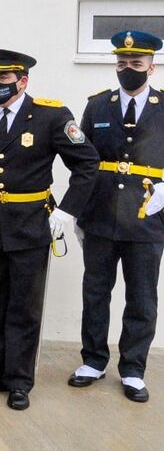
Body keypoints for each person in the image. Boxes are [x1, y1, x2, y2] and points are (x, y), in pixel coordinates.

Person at [0, 48, 99, 410]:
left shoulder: (51, 117)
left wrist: (67, 212)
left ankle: (19, 381)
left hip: (30, 226)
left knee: (23, 307)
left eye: (3, 78)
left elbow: (87, 164)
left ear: (23, 81)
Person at [70, 30, 164, 403]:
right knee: (95, 292)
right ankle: (93, 360)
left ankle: (133, 369)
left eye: (136, 64)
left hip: (147, 218)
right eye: (123, 64)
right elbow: (84, 160)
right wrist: (76, 211)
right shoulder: (98, 106)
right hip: (101, 215)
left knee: (141, 297)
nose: (128, 69)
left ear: (151, 67)